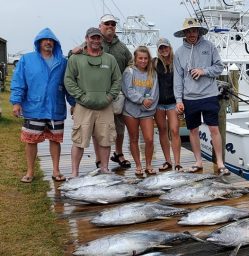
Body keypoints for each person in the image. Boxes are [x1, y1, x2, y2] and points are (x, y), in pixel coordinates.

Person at [10, 28, 74, 183]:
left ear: (55, 43)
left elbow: (69, 84)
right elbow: (19, 82)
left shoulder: (63, 62)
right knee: (31, 140)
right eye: (45, 40)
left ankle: (56, 170)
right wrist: (17, 102)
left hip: (55, 108)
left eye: (51, 40)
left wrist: (73, 103)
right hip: (34, 108)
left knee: (55, 140)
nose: (48, 42)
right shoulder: (27, 60)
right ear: (38, 43)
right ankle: (30, 171)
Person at [72, 14, 133, 169]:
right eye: (107, 24)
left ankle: (118, 154)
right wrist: (71, 52)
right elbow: (75, 57)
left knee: (117, 129)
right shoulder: (93, 42)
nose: (110, 26)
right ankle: (99, 159)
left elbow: (131, 65)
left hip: (115, 95)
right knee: (96, 130)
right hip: (93, 97)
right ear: (100, 26)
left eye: (113, 24)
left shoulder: (122, 47)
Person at [173, 18, 229, 175]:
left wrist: (203, 71)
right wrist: (178, 100)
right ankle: (198, 161)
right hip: (189, 98)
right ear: (184, 33)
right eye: (189, 31)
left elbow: (219, 67)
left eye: (194, 30)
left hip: (209, 95)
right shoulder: (178, 53)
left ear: (199, 31)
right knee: (193, 130)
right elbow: (178, 79)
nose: (192, 33)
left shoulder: (209, 46)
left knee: (214, 129)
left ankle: (220, 162)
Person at [64, 27, 122, 177]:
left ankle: (104, 168)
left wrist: (110, 97)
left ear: (101, 39)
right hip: (83, 107)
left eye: (98, 38)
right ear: (86, 38)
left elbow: (117, 80)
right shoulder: (75, 58)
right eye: (92, 38)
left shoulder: (110, 59)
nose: (95, 40)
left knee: (106, 139)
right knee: (79, 140)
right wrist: (81, 97)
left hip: (105, 106)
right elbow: (68, 80)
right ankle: (74, 172)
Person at [122, 46, 159, 176]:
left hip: (147, 110)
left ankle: (148, 164)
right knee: (134, 139)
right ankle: (138, 165)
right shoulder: (129, 71)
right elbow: (128, 90)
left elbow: (154, 92)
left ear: (149, 59)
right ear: (135, 59)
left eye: (145, 58)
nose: (143, 61)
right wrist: (142, 100)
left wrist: (148, 103)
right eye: (140, 58)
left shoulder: (152, 73)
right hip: (130, 111)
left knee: (149, 139)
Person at [154, 38, 182, 172]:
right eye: (161, 48)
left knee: (175, 130)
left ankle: (177, 163)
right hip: (158, 103)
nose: (164, 50)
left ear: (170, 47)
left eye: (166, 47)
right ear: (158, 50)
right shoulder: (155, 63)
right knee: (162, 131)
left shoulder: (176, 61)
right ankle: (168, 161)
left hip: (172, 102)